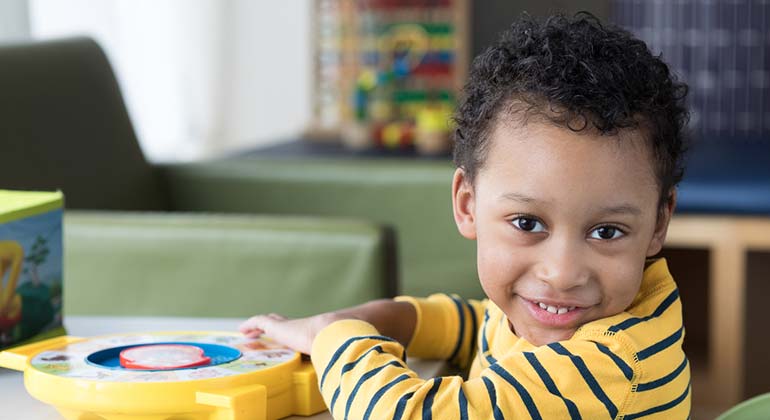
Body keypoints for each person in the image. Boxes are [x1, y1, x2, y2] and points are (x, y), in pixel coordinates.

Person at [240, 12, 691, 419]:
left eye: (606, 231)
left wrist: (332, 335)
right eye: (528, 223)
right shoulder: (552, 316)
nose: (562, 273)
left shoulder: (612, 365)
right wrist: (364, 319)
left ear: (657, 224)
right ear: (467, 204)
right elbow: (477, 324)